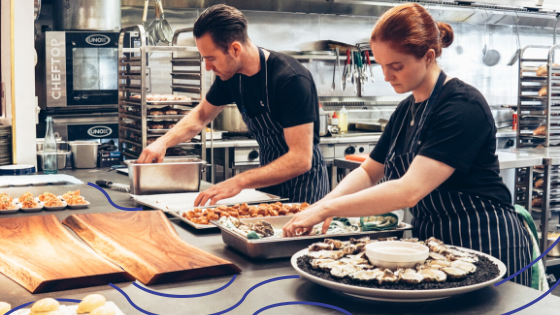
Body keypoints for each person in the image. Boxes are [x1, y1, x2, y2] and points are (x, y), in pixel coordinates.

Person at [283, 3, 532, 286]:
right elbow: (368, 172)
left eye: (396, 66)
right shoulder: (404, 111)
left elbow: (409, 191)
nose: (387, 76)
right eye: (381, 65)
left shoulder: (462, 106)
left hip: (487, 240)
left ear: (428, 57)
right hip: (437, 249)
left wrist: (329, 210)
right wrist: (322, 204)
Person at [137, 4, 329, 206]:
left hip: (305, 190)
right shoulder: (231, 76)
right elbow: (201, 115)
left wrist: (239, 181)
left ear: (235, 49)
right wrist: (163, 142)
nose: (208, 67)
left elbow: (300, 159)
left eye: (211, 58)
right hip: (268, 186)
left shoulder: (290, 79)